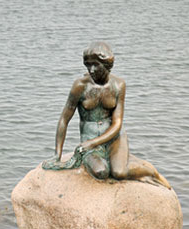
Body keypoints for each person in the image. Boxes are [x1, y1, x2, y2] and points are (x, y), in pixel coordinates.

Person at [43, 42, 170, 187]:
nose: (91, 70)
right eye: (87, 65)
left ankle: (151, 172)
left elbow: (117, 124)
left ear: (107, 64)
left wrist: (92, 143)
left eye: (95, 65)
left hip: (114, 137)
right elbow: (64, 120)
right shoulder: (80, 86)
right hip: (90, 139)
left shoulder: (118, 85)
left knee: (119, 173)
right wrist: (57, 155)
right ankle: (128, 167)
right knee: (101, 172)